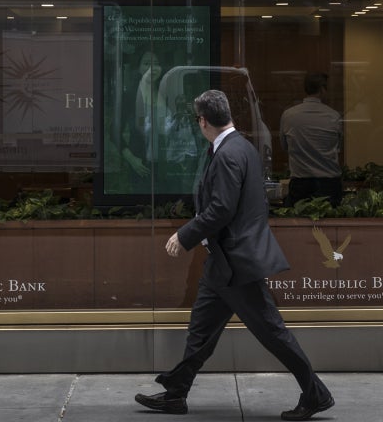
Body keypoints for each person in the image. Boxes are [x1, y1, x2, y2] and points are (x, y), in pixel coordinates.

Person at [134, 89, 334, 421]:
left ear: (202, 121)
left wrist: (185, 235)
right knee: (201, 329)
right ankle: (175, 394)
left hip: (238, 263)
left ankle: (316, 394)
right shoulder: (240, 146)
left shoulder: (227, 154)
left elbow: (221, 210)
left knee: (271, 331)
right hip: (224, 264)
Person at [279, 73, 343, 206]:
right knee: (332, 224)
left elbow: (285, 146)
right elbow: (337, 147)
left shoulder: (288, 115)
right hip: (329, 183)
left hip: (300, 183)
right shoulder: (333, 116)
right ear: (322, 90)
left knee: (299, 224)